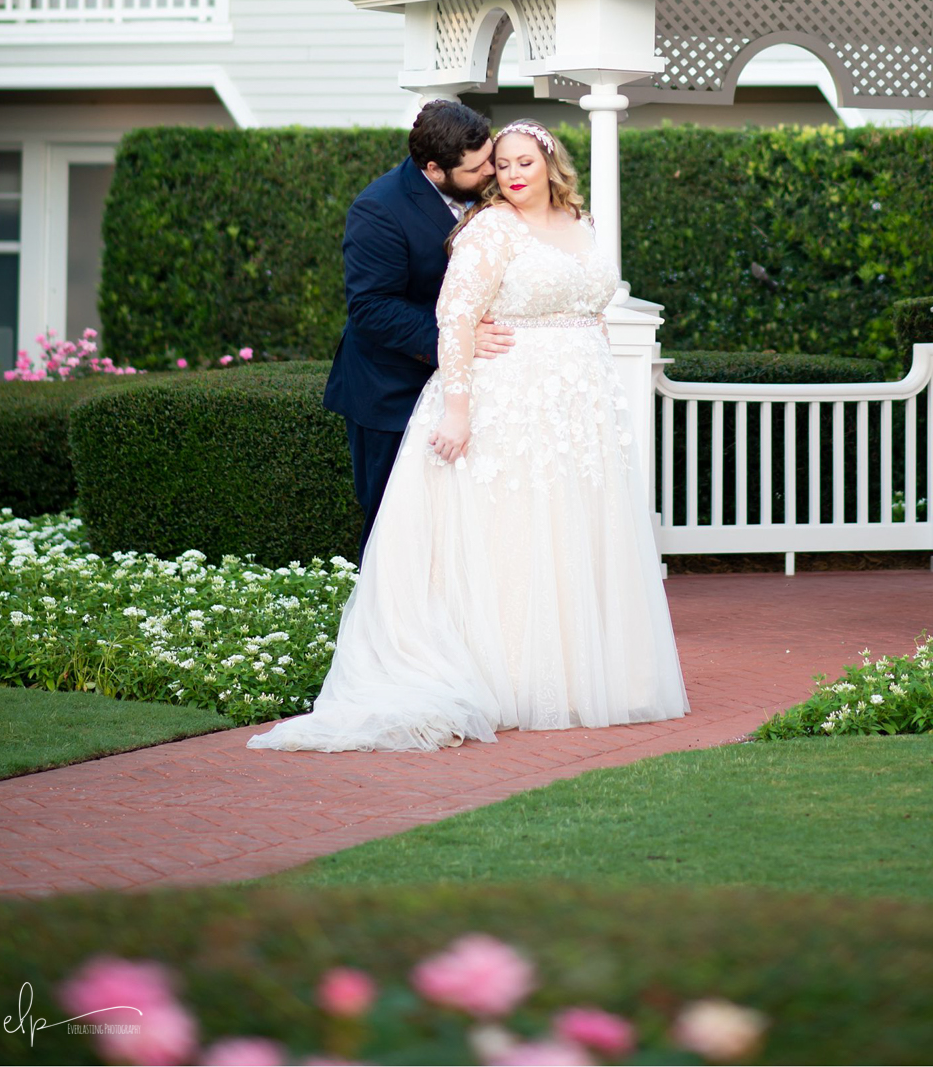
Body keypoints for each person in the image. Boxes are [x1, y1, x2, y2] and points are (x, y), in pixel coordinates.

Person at [248, 121, 688, 751]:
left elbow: (593, 307)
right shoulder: (487, 228)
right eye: (499, 164)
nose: (508, 174)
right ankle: (507, 679)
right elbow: (452, 317)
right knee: (510, 537)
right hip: (505, 400)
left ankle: (574, 676)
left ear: (550, 163)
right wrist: (457, 411)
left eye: (521, 162)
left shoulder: (581, 221)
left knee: (566, 533)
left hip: (576, 412)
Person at [322, 99, 513, 564]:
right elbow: (371, 307)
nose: (493, 169)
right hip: (390, 391)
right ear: (434, 168)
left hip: (473, 390)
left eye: (490, 155)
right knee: (393, 523)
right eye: (479, 165)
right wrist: (456, 341)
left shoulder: (492, 194)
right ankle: (383, 628)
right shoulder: (378, 209)